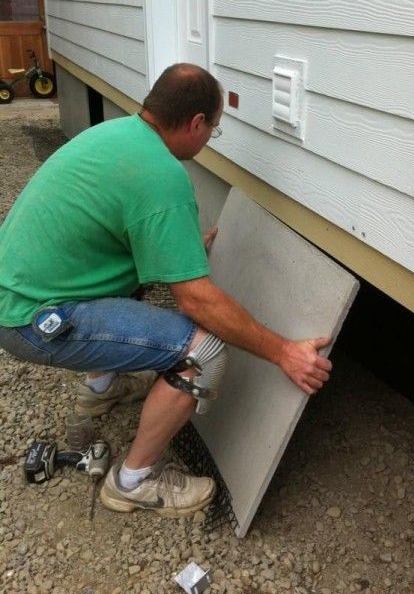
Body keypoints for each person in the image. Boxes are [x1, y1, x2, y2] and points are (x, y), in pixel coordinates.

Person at [0, 63, 332, 518]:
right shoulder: (161, 176)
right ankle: (133, 481)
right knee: (205, 349)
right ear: (196, 124)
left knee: (131, 273)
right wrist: (283, 352)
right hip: (35, 320)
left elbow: (123, 233)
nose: (209, 137)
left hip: (19, 294)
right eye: (213, 129)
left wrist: (179, 251)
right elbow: (195, 301)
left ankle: (102, 389)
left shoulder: (117, 136)